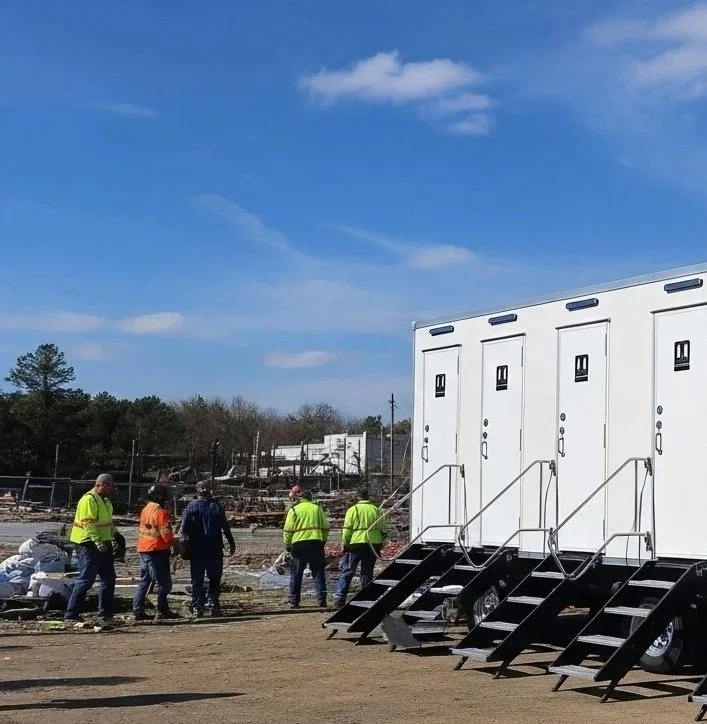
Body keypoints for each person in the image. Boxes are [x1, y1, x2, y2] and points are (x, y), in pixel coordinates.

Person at [65, 473, 118, 622]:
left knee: (109, 579)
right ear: (101, 484)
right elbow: (88, 524)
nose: (111, 490)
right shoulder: (89, 499)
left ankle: (105, 613)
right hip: (88, 543)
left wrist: (116, 536)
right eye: (110, 487)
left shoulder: (105, 502)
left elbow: (107, 523)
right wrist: (98, 542)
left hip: (102, 542)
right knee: (86, 579)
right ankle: (71, 613)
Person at [179, 480, 235, 617]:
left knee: (197, 580)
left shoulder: (190, 507)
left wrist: (182, 548)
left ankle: (198, 606)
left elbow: (182, 532)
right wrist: (232, 543)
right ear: (209, 491)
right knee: (215, 579)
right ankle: (213, 604)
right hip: (215, 550)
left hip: (197, 551)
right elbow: (226, 528)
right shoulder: (216, 507)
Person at [133, 477, 177, 621]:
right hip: (156, 551)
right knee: (164, 584)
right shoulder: (160, 512)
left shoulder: (146, 509)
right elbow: (166, 535)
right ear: (160, 497)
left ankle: (138, 609)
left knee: (145, 581)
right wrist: (175, 543)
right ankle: (162, 609)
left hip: (144, 549)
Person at [334, 487, 386, 607]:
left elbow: (347, 529)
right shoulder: (377, 510)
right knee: (367, 572)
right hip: (373, 545)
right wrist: (380, 542)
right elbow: (383, 529)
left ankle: (340, 598)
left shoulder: (353, 510)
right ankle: (367, 598)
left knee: (348, 570)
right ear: (368, 497)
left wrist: (345, 543)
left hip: (356, 544)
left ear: (358, 497)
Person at [283, 486, 330, 609]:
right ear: (311, 499)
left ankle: (294, 601)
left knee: (296, 574)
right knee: (319, 572)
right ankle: (321, 599)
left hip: (298, 545)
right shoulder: (317, 509)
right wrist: (323, 541)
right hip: (316, 543)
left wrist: (288, 544)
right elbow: (326, 527)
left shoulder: (294, 510)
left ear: (300, 498)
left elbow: (287, 530)